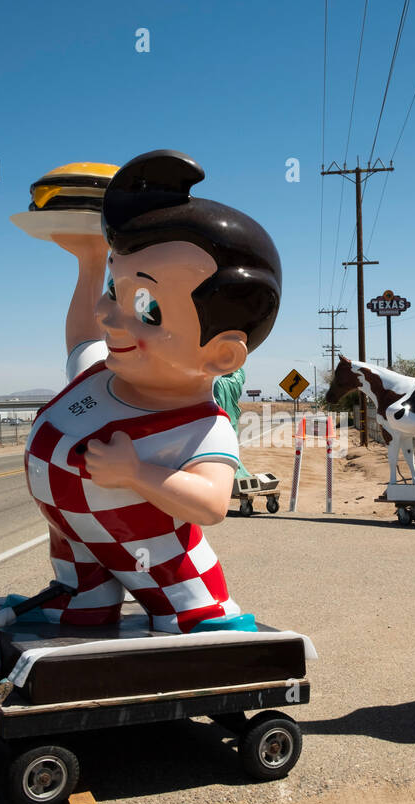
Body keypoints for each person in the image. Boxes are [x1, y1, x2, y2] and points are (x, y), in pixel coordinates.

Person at [25, 150, 281, 633]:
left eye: (146, 308)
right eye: (113, 290)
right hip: (77, 542)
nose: (106, 314)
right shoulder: (101, 371)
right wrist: (90, 260)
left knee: (186, 610)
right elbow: (82, 335)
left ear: (220, 356)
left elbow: (209, 504)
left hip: (158, 560)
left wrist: (138, 473)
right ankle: (85, 603)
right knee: (80, 596)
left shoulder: (200, 427)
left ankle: (196, 617)